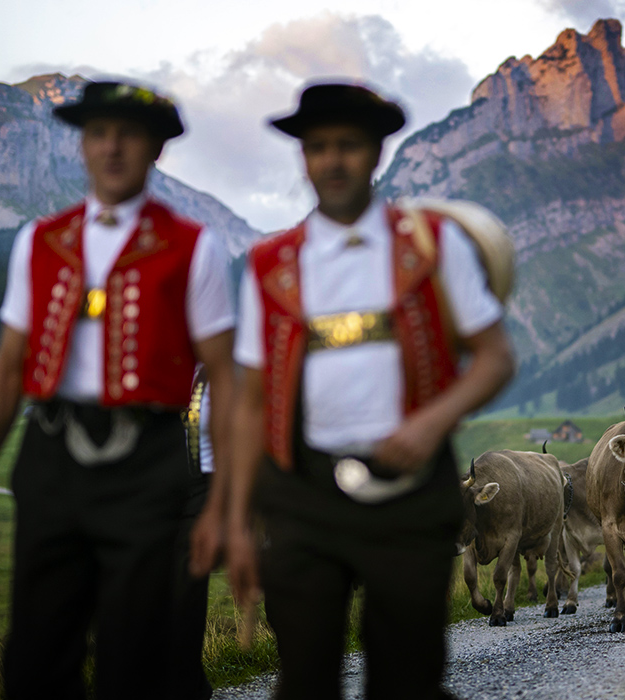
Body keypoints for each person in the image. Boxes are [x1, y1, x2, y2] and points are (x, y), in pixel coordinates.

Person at [189, 82, 515, 700]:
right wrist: (234, 516)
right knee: (305, 678)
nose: (333, 160)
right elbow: (250, 400)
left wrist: (429, 425)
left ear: (376, 153)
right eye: (318, 147)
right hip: (303, 496)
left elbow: (495, 359)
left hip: (411, 494)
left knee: (407, 678)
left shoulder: (428, 246)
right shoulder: (270, 264)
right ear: (303, 158)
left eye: (349, 145)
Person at [0, 80, 236, 700]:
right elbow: (7, 368)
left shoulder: (195, 248)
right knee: (34, 657)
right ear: (81, 145)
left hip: (147, 465)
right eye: (98, 133)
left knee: (132, 659)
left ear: (156, 149)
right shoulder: (39, 241)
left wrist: (221, 506)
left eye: (129, 134)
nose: (112, 147)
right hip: (51, 459)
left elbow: (226, 381)